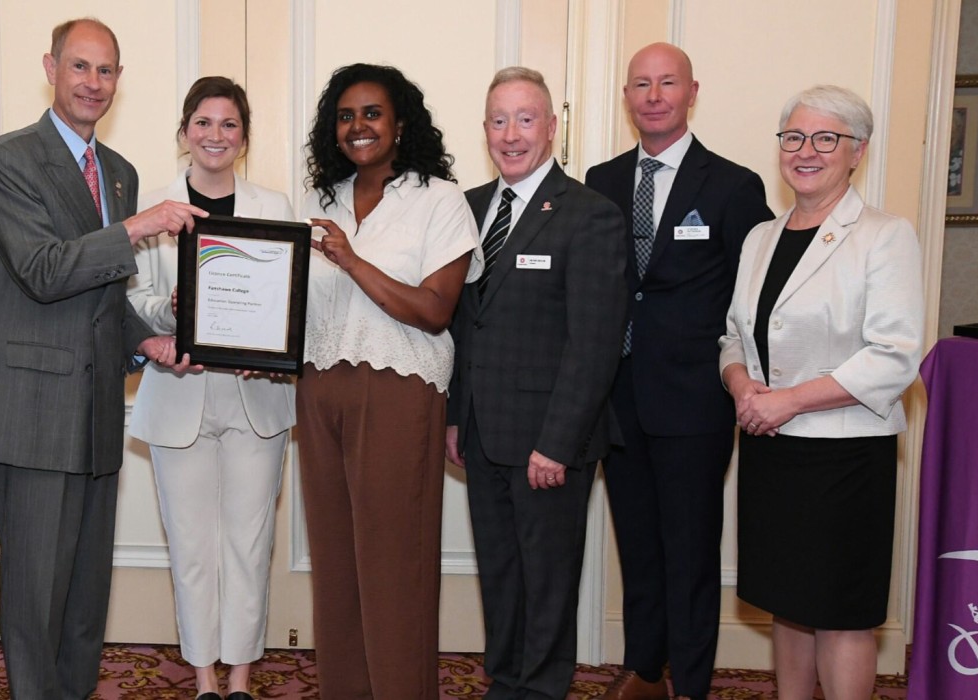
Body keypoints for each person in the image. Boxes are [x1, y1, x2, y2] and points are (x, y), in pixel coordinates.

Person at [0, 18, 205, 700]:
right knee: (35, 602)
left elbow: (104, 294)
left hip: (98, 410)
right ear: (50, 67)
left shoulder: (120, 172)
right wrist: (138, 226)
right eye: (80, 67)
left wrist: (148, 342)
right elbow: (44, 271)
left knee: (83, 603)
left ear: (118, 81)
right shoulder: (6, 160)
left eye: (105, 71)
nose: (92, 83)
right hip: (34, 414)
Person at [719, 85, 923, 700]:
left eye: (825, 138)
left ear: (857, 151)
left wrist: (789, 399)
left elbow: (894, 355)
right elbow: (733, 335)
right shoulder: (760, 237)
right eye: (794, 138)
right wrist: (741, 386)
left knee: (841, 612)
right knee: (788, 603)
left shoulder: (885, 236)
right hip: (770, 448)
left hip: (843, 454)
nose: (806, 151)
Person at [584, 43, 773, 700]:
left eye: (667, 83)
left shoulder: (732, 185)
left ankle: (689, 683)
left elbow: (756, 296)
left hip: (695, 399)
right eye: (641, 84)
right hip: (618, 395)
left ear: (693, 92)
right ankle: (645, 665)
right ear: (627, 95)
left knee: (689, 549)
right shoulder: (601, 181)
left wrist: (750, 379)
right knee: (637, 544)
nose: (654, 95)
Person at [299, 63, 481, 699]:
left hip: (399, 392)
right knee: (337, 565)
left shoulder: (440, 199)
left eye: (372, 113)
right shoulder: (317, 203)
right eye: (346, 116)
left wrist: (350, 258)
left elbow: (435, 310)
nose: (358, 127)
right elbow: (293, 307)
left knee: (392, 567)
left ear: (400, 122)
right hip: (319, 390)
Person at [445, 67, 627, 700]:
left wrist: (557, 443)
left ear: (552, 127)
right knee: (500, 572)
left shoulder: (590, 216)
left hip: (549, 441)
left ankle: (543, 689)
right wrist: (453, 418)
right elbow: (464, 328)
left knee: (547, 578)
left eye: (526, 119)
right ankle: (505, 681)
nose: (511, 134)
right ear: (485, 129)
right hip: (481, 430)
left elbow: (595, 345)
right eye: (499, 120)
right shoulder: (466, 210)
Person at [127, 76, 296, 700]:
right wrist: (174, 308)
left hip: (256, 400)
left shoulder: (275, 208)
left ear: (244, 136)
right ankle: (203, 681)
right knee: (193, 549)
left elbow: (288, 304)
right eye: (203, 122)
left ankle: (242, 681)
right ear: (184, 131)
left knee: (249, 547)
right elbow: (133, 299)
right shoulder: (155, 207)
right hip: (179, 395)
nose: (215, 135)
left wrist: (275, 349)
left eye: (228, 124)